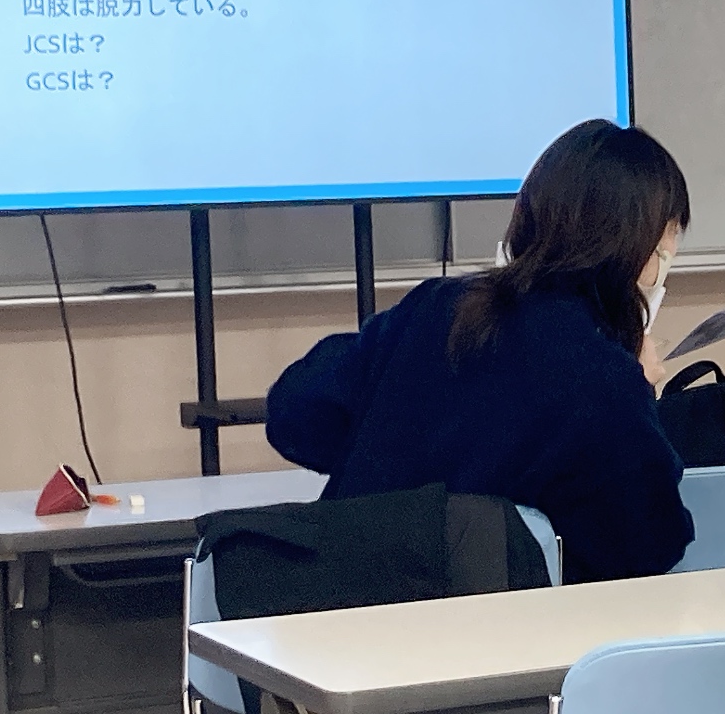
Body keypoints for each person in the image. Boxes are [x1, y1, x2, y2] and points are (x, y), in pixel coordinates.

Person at [265, 118, 696, 582]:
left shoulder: (436, 305)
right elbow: (650, 545)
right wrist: (641, 393)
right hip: (493, 622)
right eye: (663, 252)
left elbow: (295, 416)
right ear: (635, 251)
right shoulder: (603, 375)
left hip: (340, 602)